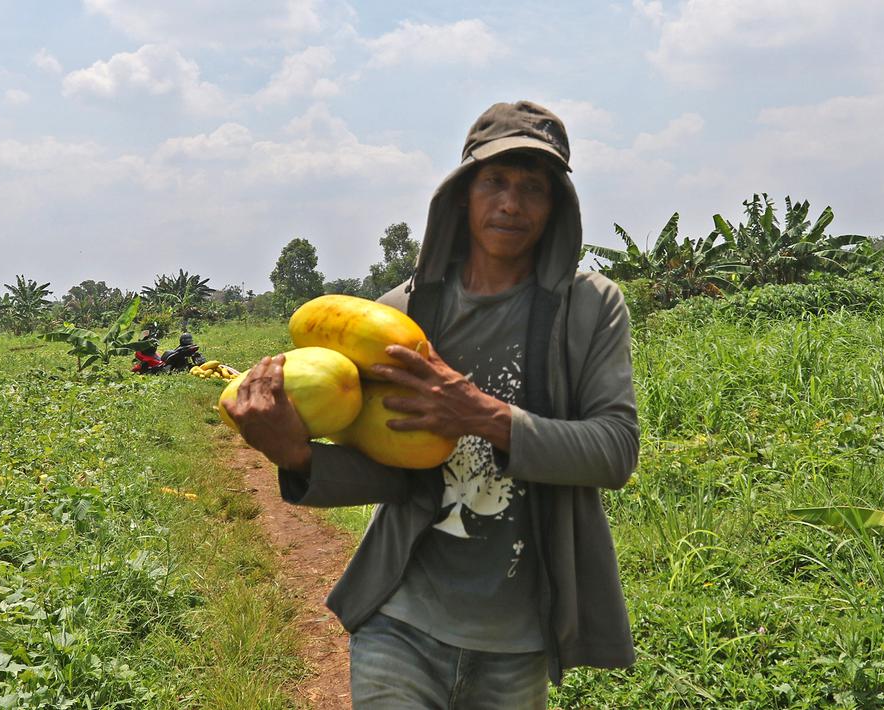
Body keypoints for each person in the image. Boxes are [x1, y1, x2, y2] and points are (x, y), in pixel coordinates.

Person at [226, 100, 639, 708]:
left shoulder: (589, 308)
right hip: (402, 621)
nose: (511, 204)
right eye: (494, 181)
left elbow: (614, 451)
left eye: (534, 187)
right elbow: (389, 467)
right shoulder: (402, 316)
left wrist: (478, 412)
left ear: (557, 207)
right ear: (462, 194)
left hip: (518, 638)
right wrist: (296, 456)